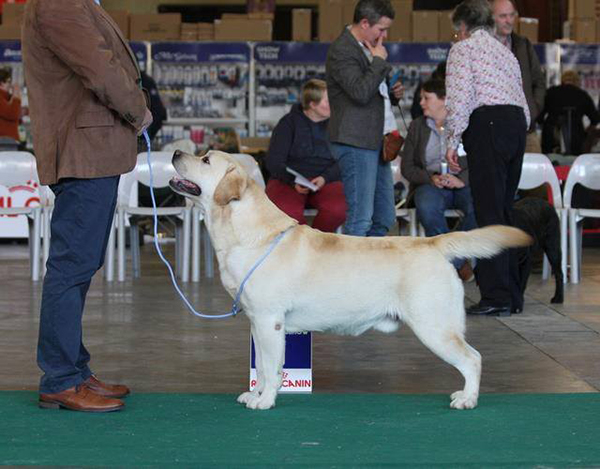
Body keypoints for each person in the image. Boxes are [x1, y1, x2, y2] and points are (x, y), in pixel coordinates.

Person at [22, 0, 153, 412]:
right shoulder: (57, 3)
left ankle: (73, 370)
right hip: (84, 150)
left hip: (92, 150)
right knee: (71, 265)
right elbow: (99, 68)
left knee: (79, 263)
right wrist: (138, 110)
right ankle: (60, 378)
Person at [445, 0, 530, 316]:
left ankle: (496, 296)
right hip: (515, 126)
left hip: (487, 126)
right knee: (505, 209)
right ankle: (512, 293)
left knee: (488, 212)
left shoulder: (463, 50)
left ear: (463, 27)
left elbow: (459, 98)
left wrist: (452, 141)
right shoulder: (505, 52)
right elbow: (524, 104)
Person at [326, 0, 404, 237]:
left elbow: (371, 92)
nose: (385, 34)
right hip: (355, 142)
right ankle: (351, 273)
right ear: (364, 23)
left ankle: (367, 268)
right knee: (361, 218)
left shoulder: (367, 46)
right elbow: (359, 93)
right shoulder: (342, 50)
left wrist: (391, 93)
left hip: (376, 141)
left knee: (385, 218)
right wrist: (379, 61)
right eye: (381, 28)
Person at [401, 78, 476, 281]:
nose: (421, 103)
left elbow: (480, 159)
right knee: (426, 206)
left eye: (426, 98)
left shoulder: (466, 123)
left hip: (462, 183)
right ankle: (458, 263)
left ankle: (450, 259)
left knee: (480, 205)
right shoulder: (417, 127)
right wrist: (430, 177)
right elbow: (407, 167)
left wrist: (462, 180)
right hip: (430, 184)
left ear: (444, 99)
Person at [265, 79, 346, 232]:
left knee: (338, 209)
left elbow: (345, 159)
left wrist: (325, 177)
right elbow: (274, 161)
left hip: (327, 178)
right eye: (327, 101)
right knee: (285, 211)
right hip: (289, 178)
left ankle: (316, 245)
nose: (333, 104)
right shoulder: (288, 123)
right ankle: (299, 246)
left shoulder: (338, 125)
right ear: (312, 104)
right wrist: (292, 180)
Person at [491, 0, 545, 153]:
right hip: (494, 132)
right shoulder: (483, 47)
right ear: (491, 17)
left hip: (527, 131)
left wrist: (533, 110)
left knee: (535, 175)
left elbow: (539, 82)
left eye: (512, 15)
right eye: (503, 16)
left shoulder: (524, 45)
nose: (509, 21)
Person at [539, 70, 600, 156]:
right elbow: (595, 119)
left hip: (551, 134)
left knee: (550, 161)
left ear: (562, 80)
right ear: (577, 82)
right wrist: (587, 131)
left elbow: (539, 116)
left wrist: (544, 126)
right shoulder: (582, 95)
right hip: (576, 134)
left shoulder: (551, 92)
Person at [0, 67, 21, 142]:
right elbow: (12, 113)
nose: (10, 85)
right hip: (5, 142)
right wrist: (16, 95)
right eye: (8, 82)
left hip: (8, 141)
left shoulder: (6, 98)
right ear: (1, 83)